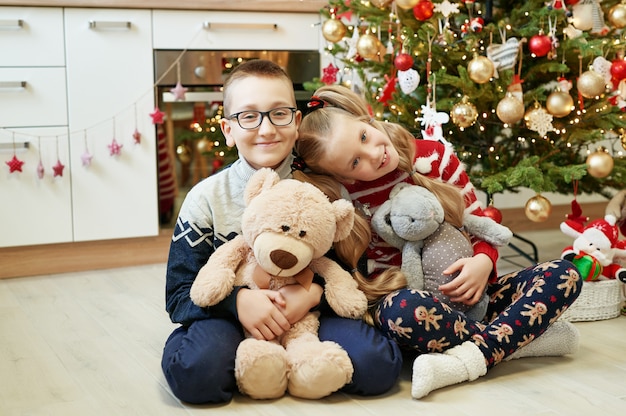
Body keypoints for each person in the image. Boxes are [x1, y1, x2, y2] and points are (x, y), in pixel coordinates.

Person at [292, 84, 583, 399]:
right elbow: (375, 276)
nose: (374, 154)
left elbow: (479, 221)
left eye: (364, 137)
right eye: (354, 162)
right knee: (401, 311)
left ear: (367, 119)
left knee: (563, 275)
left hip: (476, 294)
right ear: (343, 177)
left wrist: (483, 262)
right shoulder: (347, 198)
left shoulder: (433, 156)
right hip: (417, 308)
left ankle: (474, 354)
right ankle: (517, 342)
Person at [160, 60, 402, 404]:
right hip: (230, 316)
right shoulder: (206, 198)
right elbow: (179, 294)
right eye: (248, 116)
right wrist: (238, 302)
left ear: (297, 121)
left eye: (279, 114)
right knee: (198, 373)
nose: (266, 129)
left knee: (377, 366)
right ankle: (255, 359)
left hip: (313, 315)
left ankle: (295, 366)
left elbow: (351, 273)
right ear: (228, 129)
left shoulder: (326, 189)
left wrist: (312, 295)